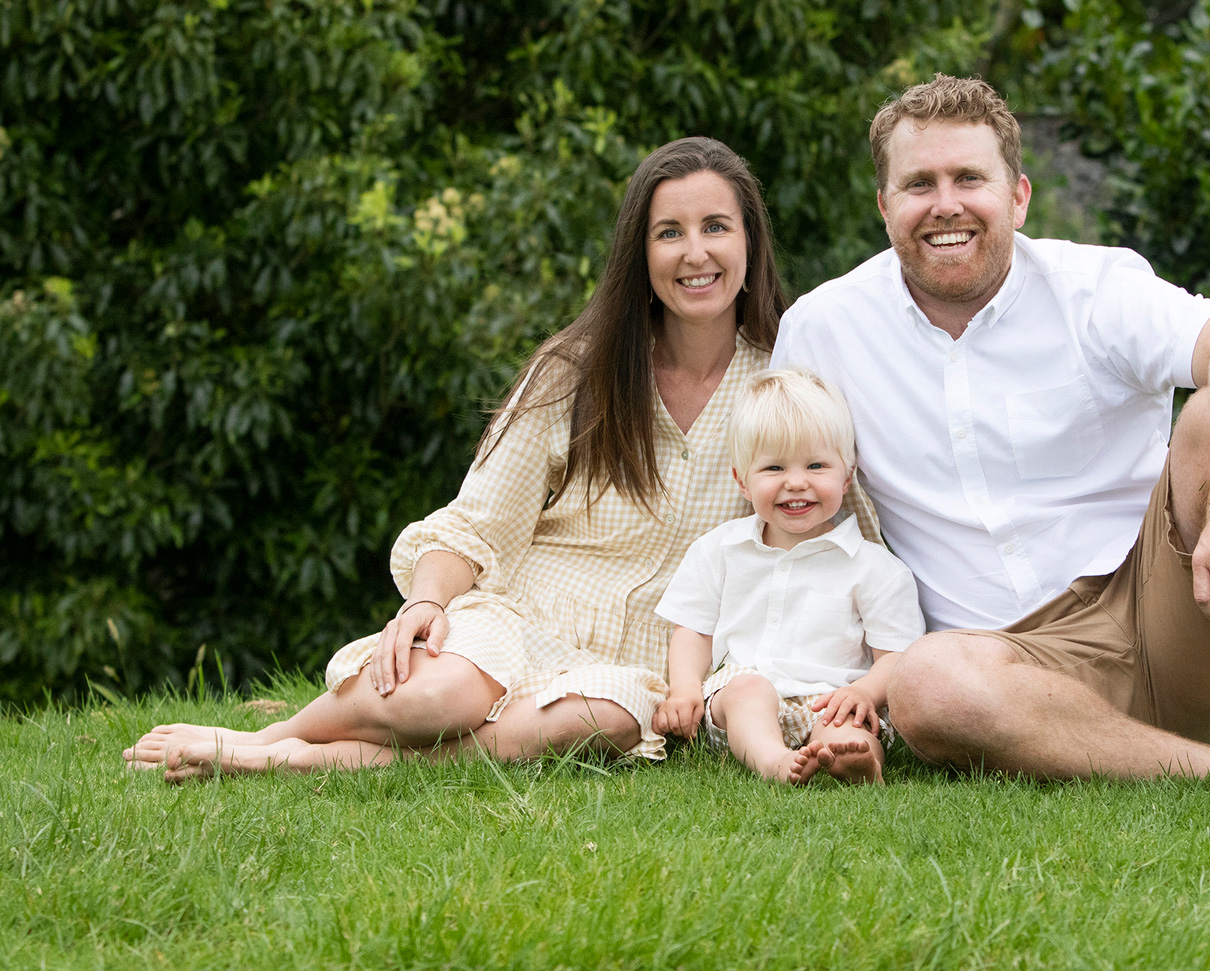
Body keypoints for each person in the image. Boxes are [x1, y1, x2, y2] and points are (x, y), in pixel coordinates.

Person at [771, 75, 1210, 824]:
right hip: (995, 671)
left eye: (970, 177)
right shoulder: (824, 328)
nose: (945, 204)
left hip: (1162, 618)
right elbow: (775, 487)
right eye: (919, 184)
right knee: (926, 683)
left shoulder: (1095, 289)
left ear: (1019, 196)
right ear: (884, 207)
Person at [124, 136, 798, 781]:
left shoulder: (785, 382)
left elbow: (839, 517)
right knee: (430, 701)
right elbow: (477, 519)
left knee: (603, 721)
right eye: (669, 232)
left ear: (749, 242)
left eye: (716, 226)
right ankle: (261, 737)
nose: (695, 252)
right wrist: (425, 599)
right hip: (523, 617)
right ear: (640, 253)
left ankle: (290, 759)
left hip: (651, 664)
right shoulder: (577, 369)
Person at [650, 369, 924, 785]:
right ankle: (775, 762)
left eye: (816, 465)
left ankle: (854, 760)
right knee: (747, 691)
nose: (796, 483)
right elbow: (693, 630)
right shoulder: (719, 550)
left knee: (846, 724)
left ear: (846, 476)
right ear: (742, 481)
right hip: (743, 698)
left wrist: (864, 693)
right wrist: (684, 688)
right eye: (774, 467)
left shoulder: (874, 567)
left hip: (830, 697)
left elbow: (897, 658)